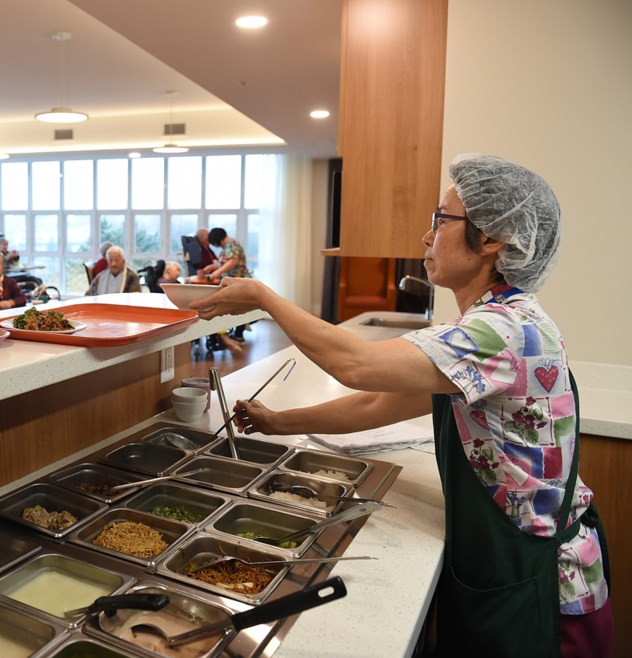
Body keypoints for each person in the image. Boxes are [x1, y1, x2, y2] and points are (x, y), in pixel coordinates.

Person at [191, 154, 612, 658]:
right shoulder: (496, 322)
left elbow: (357, 366)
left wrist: (264, 296)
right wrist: (279, 422)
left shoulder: (502, 331)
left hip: (542, 589)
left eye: (440, 219)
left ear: (494, 238)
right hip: (512, 568)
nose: (426, 236)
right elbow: (376, 403)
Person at [206, 227, 252, 345]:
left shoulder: (232, 245)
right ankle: (235, 334)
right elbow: (225, 262)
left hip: (239, 281)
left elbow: (233, 261)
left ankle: (238, 335)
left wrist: (217, 272)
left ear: (218, 240)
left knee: (240, 308)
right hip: (234, 282)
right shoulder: (227, 247)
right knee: (236, 307)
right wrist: (213, 267)